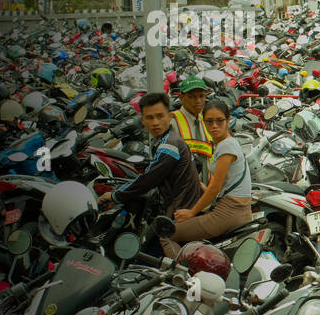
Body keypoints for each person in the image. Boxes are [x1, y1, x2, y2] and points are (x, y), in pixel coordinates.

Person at [99, 92, 202, 226]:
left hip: (178, 214)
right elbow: (196, 164)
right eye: (150, 117)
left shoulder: (169, 145)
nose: (155, 123)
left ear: (170, 117)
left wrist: (115, 196)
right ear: (142, 121)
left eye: (160, 116)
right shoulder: (172, 138)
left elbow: (149, 179)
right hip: (182, 206)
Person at [165, 99, 253, 257]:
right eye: (209, 121)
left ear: (228, 120)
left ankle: (181, 277)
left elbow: (216, 187)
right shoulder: (227, 143)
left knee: (166, 235)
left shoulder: (226, 146)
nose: (214, 126)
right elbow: (227, 183)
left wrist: (191, 212)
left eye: (220, 121)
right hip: (240, 209)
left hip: (228, 213)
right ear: (203, 122)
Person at [172, 76, 213, 181]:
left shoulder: (205, 120)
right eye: (192, 97)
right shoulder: (172, 122)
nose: (198, 101)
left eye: (201, 96)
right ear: (181, 98)